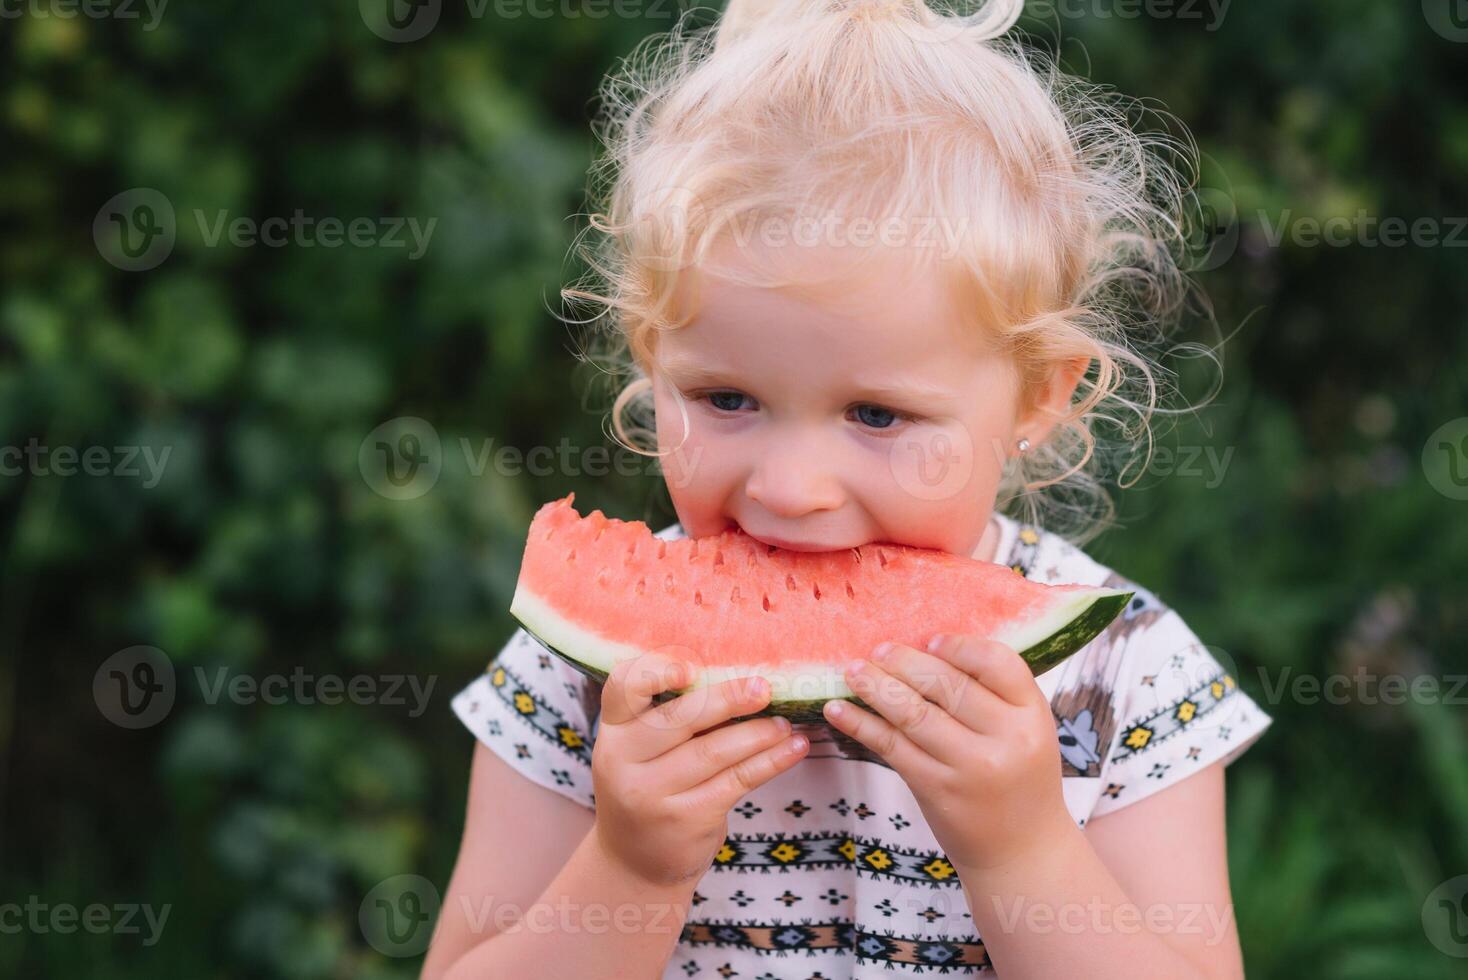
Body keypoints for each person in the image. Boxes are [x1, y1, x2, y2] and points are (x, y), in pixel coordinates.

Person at [422, 0, 1272, 976]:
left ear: (1038, 396)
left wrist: (1022, 850)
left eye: (875, 415)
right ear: (651, 360)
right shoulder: (577, 676)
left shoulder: (1124, 672)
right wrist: (629, 865)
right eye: (726, 396)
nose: (789, 488)